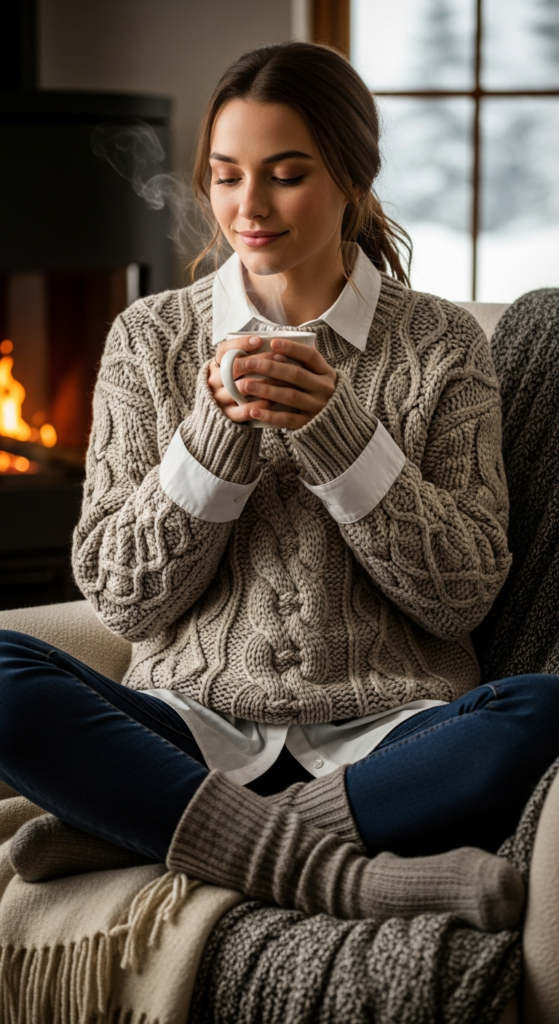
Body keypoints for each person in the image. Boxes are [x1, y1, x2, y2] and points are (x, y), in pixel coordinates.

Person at [0, 41, 557, 932]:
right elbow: (122, 597)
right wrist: (213, 439)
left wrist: (341, 440)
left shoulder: (441, 347)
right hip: (184, 726)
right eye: (225, 177)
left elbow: (461, 596)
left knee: (541, 709)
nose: (247, 209)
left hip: (391, 737)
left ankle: (142, 825)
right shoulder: (149, 339)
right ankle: (331, 872)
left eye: (286, 175)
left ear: (352, 176)